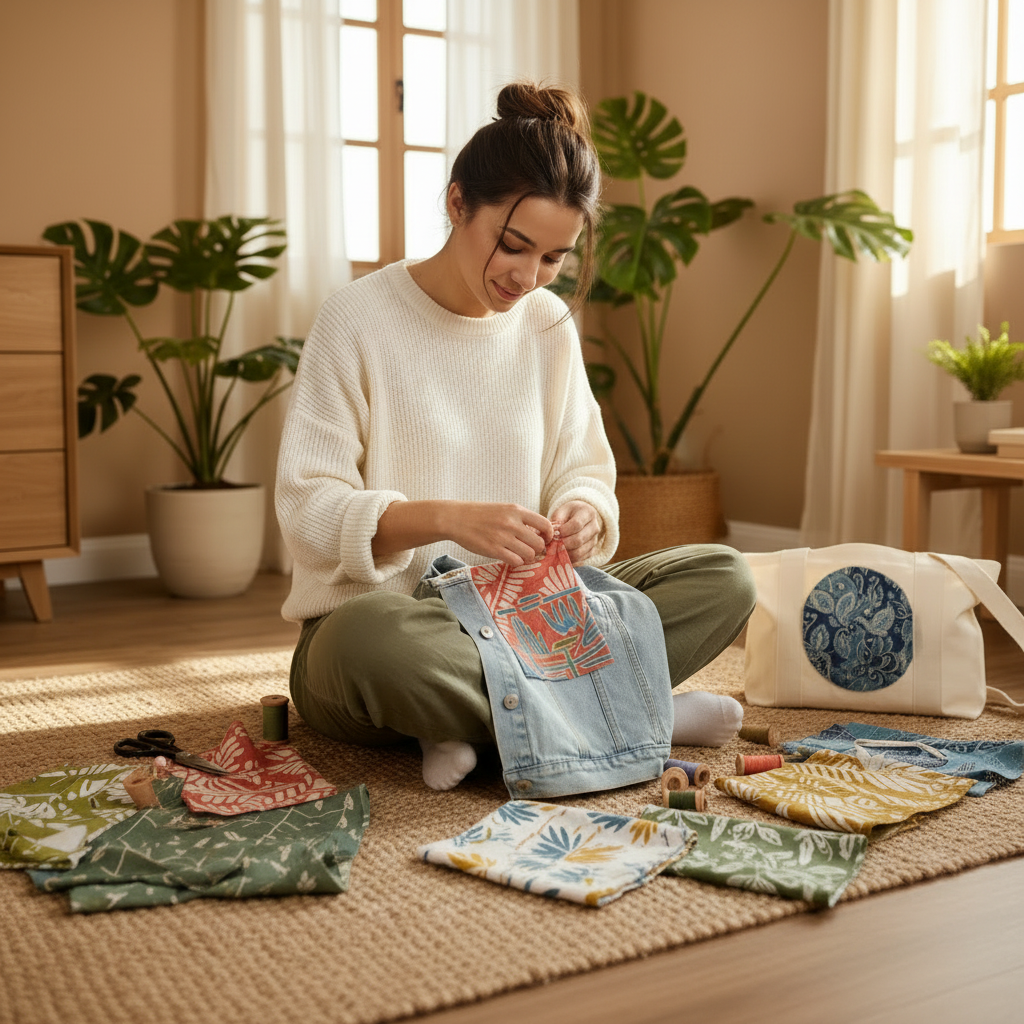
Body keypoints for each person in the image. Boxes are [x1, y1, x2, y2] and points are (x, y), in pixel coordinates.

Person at [275, 81, 756, 792]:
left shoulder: (546, 326)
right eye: (514, 244)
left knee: (726, 577)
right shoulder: (356, 320)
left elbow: (582, 468)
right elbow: (309, 513)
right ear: (457, 202)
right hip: (401, 624)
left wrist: (587, 514)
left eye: (555, 257)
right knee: (364, 643)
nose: (528, 277)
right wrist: (443, 519)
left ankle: (475, 722)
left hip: (531, 618)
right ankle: (636, 711)